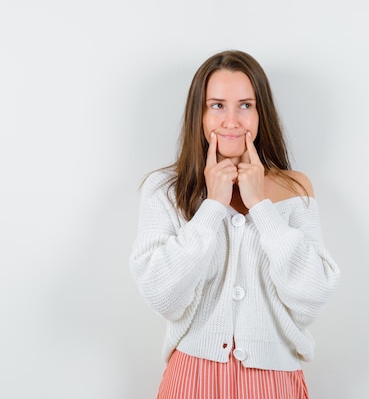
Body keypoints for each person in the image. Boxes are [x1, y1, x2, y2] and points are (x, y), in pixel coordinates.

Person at [129, 50, 340, 399]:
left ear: (261, 113)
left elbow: (312, 298)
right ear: (199, 112)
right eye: (217, 105)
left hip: (275, 382)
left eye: (245, 105)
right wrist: (212, 206)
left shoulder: (294, 187)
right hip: (192, 378)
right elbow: (162, 296)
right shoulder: (165, 189)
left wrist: (262, 206)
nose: (232, 121)